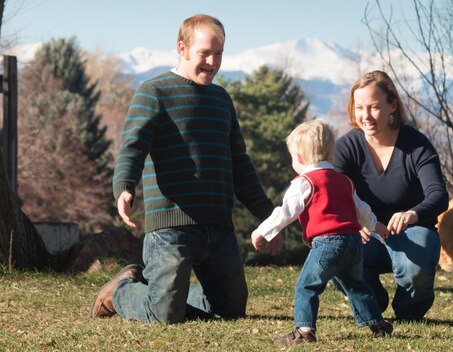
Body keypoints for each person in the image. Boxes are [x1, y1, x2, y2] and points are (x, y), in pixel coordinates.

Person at [90, 14, 281, 323]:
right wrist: (124, 187)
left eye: (218, 53)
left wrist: (269, 217)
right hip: (170, 227)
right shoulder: (154, 93)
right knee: (164, 314)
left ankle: (171, 293)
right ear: (182, 48)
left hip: (218, 225)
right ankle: (122, 290)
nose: (213, 61)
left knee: (230, 311)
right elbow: (132, 147)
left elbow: (240, 164)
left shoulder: (221, 100)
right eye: (205, 53)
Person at [251, 120, 393, 345]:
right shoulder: (345, 181)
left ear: (298, 157)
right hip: (354, 243)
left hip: (328, 243)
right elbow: (362, 210)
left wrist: (262, 231)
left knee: (307, 285)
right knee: (357, 284)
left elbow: (285, 212)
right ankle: (377, 324)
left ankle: (304, 332)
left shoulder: (305, 182)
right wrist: (375, 225)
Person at [333, 70, 449, 321]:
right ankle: (371, 302)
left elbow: (439, 195)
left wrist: (413, 214)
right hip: (366, 235)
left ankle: (408, 311)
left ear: (392, 105)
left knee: (415, 268)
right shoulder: (345, 147)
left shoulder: (416, 144)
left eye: (374, 107)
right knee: (332, 250)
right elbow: (333, 196)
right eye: (360, 107)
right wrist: (354, 223)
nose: (366, 116)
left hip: (410, 233)